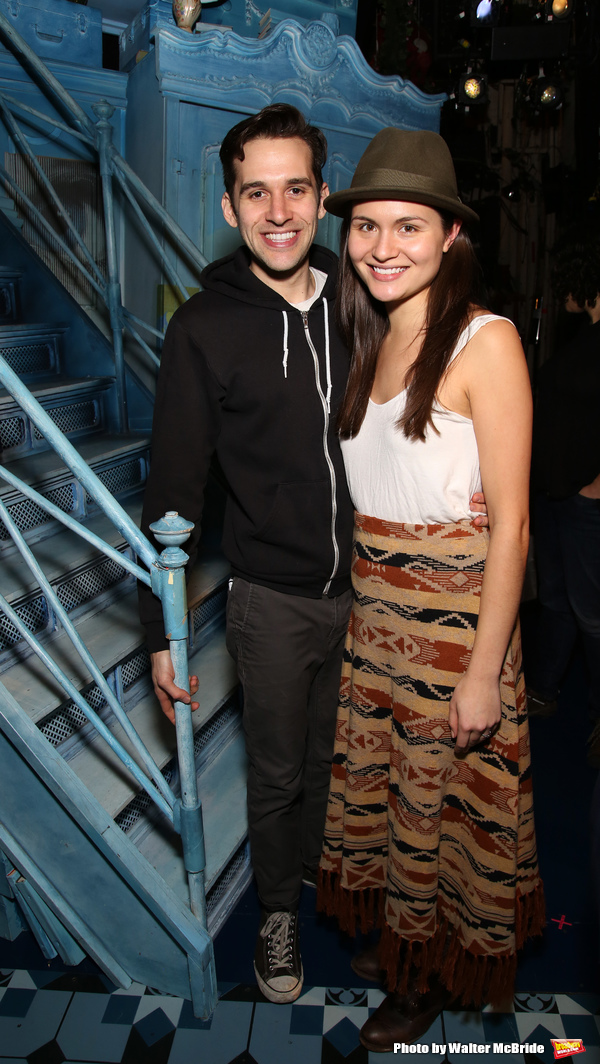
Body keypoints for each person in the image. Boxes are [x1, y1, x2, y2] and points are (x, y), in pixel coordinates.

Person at [138, 105, 489, 1006]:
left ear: (324, 196)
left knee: (355, 765)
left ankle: (352, 901)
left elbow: (445, 387)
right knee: (279, 772)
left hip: (377, 592)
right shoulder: (204, 327)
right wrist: (160, 628)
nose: (279, 209)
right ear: (229, 208)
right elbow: (174, 490)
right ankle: (279, 914)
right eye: (257, 192)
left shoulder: (364, 291)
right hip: (272, 598)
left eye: (297, 188)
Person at [316, 127, 544, 1052]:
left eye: (408, 226)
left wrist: (485, 672)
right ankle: (413, 945)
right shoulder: (364, 339)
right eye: (366, 226)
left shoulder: (485, 343)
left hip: (459, 635)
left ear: (450, 234)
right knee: (397, 809)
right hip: (377, 630)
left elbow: (515, 528)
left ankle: (428, 981)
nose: (382, 246)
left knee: (445, 816)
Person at [526, 228, 600, 757]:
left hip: (583, 500)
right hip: (553, 494)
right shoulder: (581, 338)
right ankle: (545, 689)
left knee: (592, 613)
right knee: (556, 602)